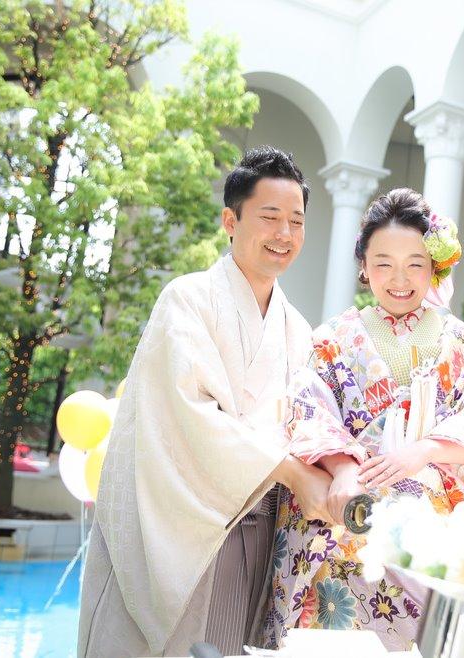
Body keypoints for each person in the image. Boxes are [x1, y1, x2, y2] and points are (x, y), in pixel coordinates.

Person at [78, 146, 335, 657]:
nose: (284, 233)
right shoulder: (187, 299)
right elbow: (188, 418)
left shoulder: (298, 330)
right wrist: (292, 472)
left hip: (260, 524)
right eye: (270, 217)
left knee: (228, 644)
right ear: (230, 221)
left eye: (296, 221)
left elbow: (311, 423)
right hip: (182, 524)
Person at [263, 188, 464, 651]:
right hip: (346, 518)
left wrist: (426, 451)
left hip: (432, 535)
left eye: (415, 264)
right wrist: (342, 469)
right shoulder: (333, 338)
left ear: (434, 266)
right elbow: (309, 409)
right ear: (363, 265)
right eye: (383, 263)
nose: (400, 279)